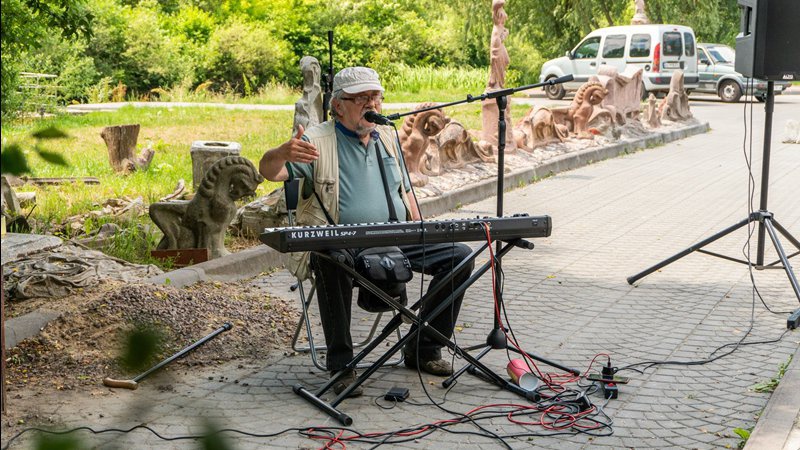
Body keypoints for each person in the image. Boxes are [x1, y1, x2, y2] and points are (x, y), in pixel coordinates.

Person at [259, 67, 475, 397]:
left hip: (395, 237)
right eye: (362, 98)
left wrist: (421, 229)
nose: (372, 104)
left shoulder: (386, 135)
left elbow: (404, 192)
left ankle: (424, 348)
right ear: (338, 106)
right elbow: (269, 171)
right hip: (342, 241)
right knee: (328, 259)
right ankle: (342, 365)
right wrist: (281, 153)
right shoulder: (316, 140)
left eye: (376, 97)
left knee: (459, 256)